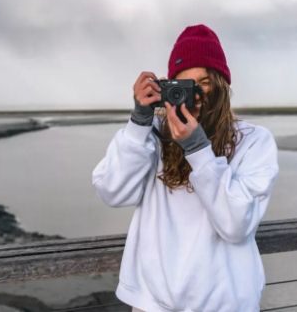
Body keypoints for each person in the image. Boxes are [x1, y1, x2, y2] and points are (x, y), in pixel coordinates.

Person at [91, 24, 279, 312]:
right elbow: (112, 191)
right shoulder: (151, 135)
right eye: (182, 85)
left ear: (222, 85)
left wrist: (198, 149)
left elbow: (236, 225)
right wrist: (139, 122)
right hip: (153, 303)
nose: (194, 95)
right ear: (168, 89)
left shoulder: (254, 141)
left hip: (224, 304)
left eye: (203, 82)